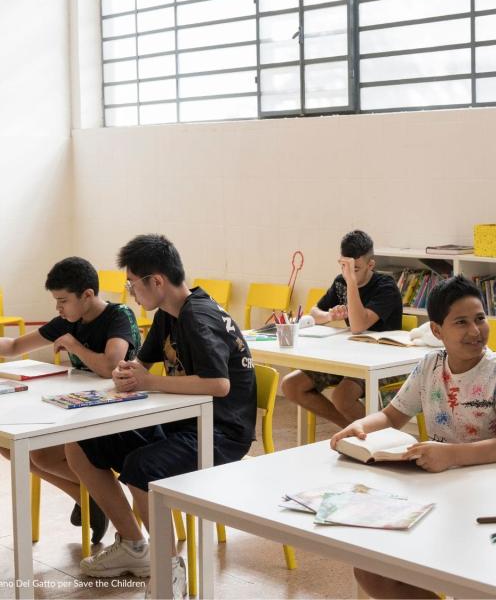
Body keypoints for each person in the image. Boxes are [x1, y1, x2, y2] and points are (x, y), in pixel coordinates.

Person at [64, 235, 257, 599]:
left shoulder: (198, 316)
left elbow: (219, 385)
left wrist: (149, 381)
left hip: (221, 431)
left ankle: (168, 570)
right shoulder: (169, 315)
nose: (132, 293)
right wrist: (127, 371)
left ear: (156, 281)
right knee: (85, 444)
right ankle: (134, 546)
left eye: (132, 284)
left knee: (141, 468)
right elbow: (142, 364)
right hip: (184, 421)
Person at [330, 275, 496, 599]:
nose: (474, 331)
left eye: (480, 319)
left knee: (475, 575)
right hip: (442, 487)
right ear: (437, 331)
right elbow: (393, 415)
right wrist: (362, 426)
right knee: (371, 570)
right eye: (461, 322)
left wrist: (449, 454)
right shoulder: (429, 365)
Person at [0, 256, 142, 544]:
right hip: (78, 407)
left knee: (40, 453)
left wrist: (75, 345)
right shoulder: (68, 319)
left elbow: (109, 366)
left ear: (87, 295)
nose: (58, 308)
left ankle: (100, 498)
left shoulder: (119, 316)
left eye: (63, 300)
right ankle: (91, 498)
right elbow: (14, 346)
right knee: (11, 445)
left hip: (120, 414)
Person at [282, 229, 402, 427]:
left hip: (382, 364)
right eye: (345, 266)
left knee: (342, 397)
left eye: (355, 268)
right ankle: (350, 427)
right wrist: (330, 315)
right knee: (291, 385)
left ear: (370, 265)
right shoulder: (340, 282)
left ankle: (381, 434)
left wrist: (351, 283)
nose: (348, 273)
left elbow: (358, 325)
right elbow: (314, 313)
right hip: (350, 359)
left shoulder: (386, 286)